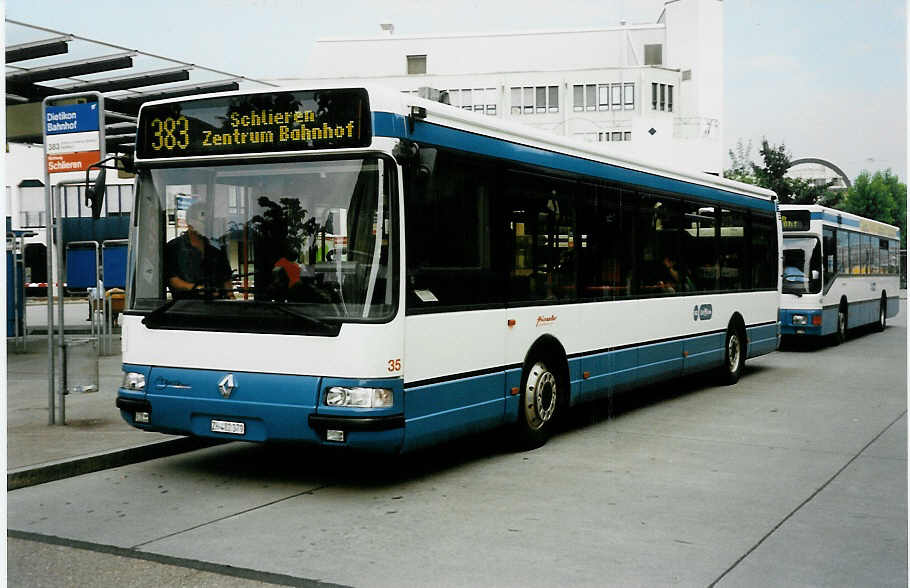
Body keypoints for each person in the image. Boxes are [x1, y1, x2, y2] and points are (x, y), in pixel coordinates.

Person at [164, 202, 233, 299]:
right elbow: (172, 279)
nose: (208, 226)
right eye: (203, 222)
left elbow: (226, 279)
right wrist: (196, 288)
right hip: (184, 308)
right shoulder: (174, 248)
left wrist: (231, 297)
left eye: (209, 222)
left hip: (216, 308)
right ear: (190, 223)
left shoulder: (216, 250)